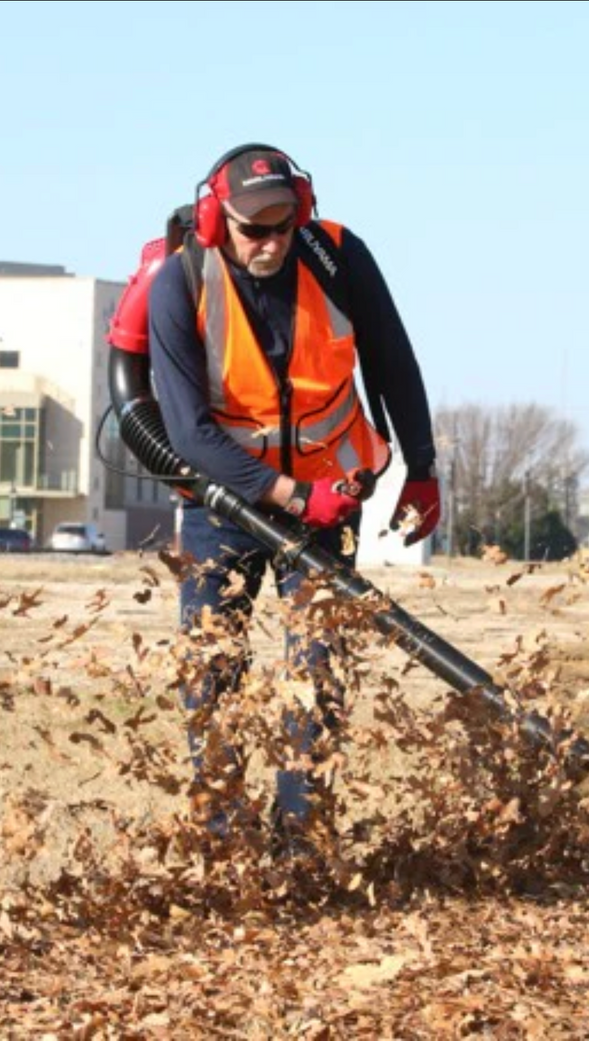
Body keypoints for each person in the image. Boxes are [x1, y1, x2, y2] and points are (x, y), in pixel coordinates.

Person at [146, 143, 441, 846]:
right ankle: (223, 835)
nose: (271, 243)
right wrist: (288, 494)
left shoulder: (337, 258)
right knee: (211, 667)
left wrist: (422, 467)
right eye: (254, 230)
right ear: (218, 221)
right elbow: (186, 432)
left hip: (331, 497)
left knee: (319, 668)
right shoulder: (179, 282)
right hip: (223, 505)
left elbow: (393, 361)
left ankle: (302, 838)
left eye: (283, 225)